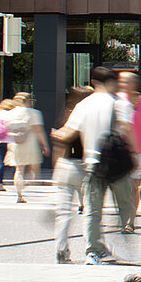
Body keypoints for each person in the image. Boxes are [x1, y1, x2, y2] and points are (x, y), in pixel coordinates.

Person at [55, 66, 135, 265]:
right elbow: (127, 130)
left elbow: (68, 133)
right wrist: (133, 154)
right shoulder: (121, 104)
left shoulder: (84, 104)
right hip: (116, 163)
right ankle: (122, 236)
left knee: (92, 210)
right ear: (112, 82)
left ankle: (93, 251)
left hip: (93, 164)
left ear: (94, 82)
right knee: (126, 205)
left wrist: (55, 135)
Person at [50, 87, 92, 263]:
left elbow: (59, 145)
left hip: (65, 165)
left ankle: (61, 249)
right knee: (90, 210)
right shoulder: (89, 117)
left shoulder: (67, 116)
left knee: (63, 212)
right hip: (85, 166)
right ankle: (92, 248)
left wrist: (56, 168)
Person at [117, 72, 141, 230]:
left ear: (134, 84)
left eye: (126, 82)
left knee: (133, 186)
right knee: (120, 186)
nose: (122, 84)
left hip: (138, 150)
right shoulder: (117, 100)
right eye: (121, 81)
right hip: (119, 149)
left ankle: (130, 221)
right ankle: (122, 217)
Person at [2, 96, 46, 204]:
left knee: (19, 170)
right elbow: (39, 130)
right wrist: (44, 145)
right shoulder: (34, 113)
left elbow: (5, 128)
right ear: (27, 101)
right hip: (30, 143)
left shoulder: (10, 113)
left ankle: (19, 194)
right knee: (34, 167)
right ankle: (27, 182)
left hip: (15, 143)